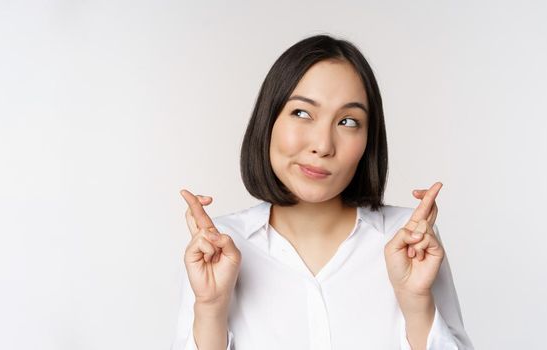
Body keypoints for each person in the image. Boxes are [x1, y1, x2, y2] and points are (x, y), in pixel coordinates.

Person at [171, 34, 474, 350]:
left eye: (348, 121)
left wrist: (417, 304)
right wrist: (210, 308)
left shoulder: (408, 241)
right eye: (302, 113)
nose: (323, 145)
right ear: (268, 118)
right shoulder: (220, 246)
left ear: (369, 141)